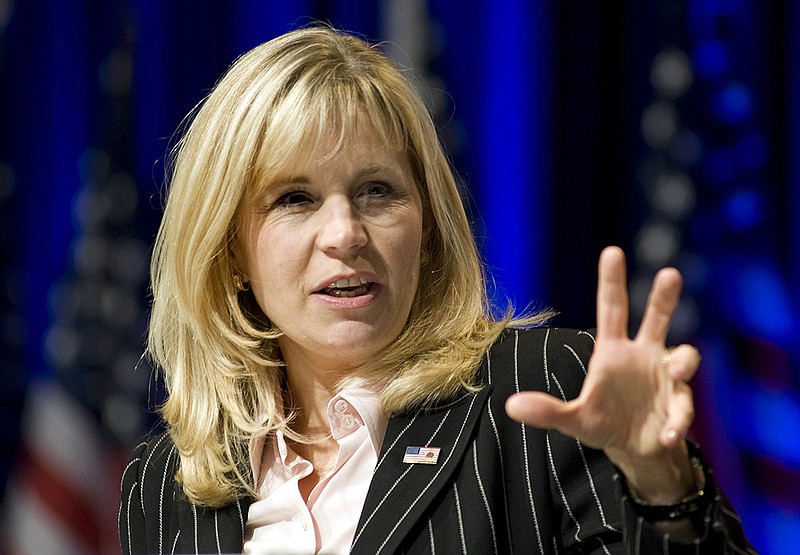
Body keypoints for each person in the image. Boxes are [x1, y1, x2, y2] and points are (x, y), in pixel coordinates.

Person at [119, 26, 756, 554]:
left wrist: (660, 483)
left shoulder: (539, 391)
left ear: (425, 226)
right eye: (294, 198)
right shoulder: (161, 487)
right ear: (229, 250)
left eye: (377, 191)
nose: (344, 232)